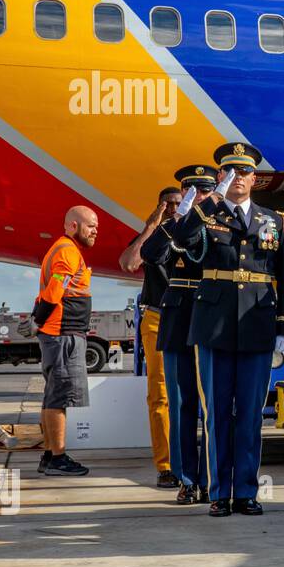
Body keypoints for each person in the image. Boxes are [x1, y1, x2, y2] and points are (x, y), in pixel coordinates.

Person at [177, 142, 284, 517]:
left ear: (255, 178)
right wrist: (211, 199)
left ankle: (246, 491)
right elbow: (182, 238)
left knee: (249, 413)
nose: (238, 178)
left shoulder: (274, 220)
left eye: (243, 173)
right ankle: (218, 493)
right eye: (230, 172)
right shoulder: (207, 215)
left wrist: (283, 329)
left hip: (258, 325)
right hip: (214, 326)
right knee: (215, 412)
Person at [141, 165, 216, 505]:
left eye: (203, 190)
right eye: (191, 191)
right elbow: (149, 254)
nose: (196, 196)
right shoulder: (172, 228)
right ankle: (187, 479)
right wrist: (174, 222)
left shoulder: (224, 225)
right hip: (176, 322)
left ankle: (213, 480)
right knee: (181, 404)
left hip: (212, 320)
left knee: (212, 406)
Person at [120, 186, 182, 489]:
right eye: (166, 204)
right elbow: (130, 262)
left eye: (176, 204)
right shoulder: (153, 236)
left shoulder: (193, 232)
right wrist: (151, 226)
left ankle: (197, 460)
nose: (172, 209)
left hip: (189, 317)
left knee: (200, 391)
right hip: (157, 316)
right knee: (160, 395)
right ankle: (166, 465)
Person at [32, 206, 98, 477]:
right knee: (59, 397)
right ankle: (57, 457)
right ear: (72, 225)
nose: (95, 230)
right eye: (90, 225)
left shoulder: (63, 249)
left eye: (96, 226)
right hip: (63, 334)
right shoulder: (68, 252)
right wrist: (40, 318)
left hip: (59, 334)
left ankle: (50, 455)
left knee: (53, 396)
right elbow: (56, 288)